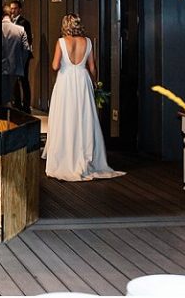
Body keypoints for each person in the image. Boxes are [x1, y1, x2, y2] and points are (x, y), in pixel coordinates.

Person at [43, 13, 125, 182]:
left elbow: (55, 65)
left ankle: (64, 155)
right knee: (84, 117)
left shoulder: (61, 42)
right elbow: (92, 67)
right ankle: (84, 155)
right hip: (82, 80)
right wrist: (95, 82)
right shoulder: (87, 42)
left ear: (65, 25)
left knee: (65, 118)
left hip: (65, 82)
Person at [1, 11, 29, 107]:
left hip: (0, 67)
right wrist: (21, 63)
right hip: (15, 67)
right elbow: (26, 49)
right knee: (11, 91)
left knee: (2, 94)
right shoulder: (20, 29)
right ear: (11, 16)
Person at [10, 1, 33, 113]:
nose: (12, 11)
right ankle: (17, 104)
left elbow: (28, 40)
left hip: (22, 55)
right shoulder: (10, 22)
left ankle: (26, 106)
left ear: (20, 9)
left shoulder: (24, 22)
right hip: (13, 55)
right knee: (14, 80)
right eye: (11, 8)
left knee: (24, 80)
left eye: (15, 8)